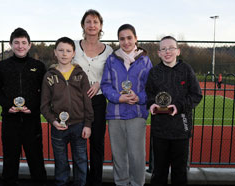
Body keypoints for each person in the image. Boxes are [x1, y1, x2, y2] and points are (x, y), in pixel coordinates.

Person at [0, 27, 47, 186]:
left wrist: (33, 107)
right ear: (11, 44)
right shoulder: (2, 66)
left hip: (32, 120)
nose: (20, 46)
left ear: (29, 45)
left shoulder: (38, 65)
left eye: (24, 42)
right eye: (16, 43)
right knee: (10, 160)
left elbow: (44, 91)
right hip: (10, 120)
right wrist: (8, 106)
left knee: (36, 159)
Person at [145, 36, 202, 186]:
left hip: (181, 130)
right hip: (160, 131)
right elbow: (149, 94)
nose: (167, 51)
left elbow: (196, 95)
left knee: (180, 173)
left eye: (171, 48)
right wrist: (151, 104)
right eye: (163, 49)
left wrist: (179, 106)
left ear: (178, 51)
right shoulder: (154, 72)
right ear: (158, 53)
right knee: (159, 173)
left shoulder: (186, 70)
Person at [101, 24, 152, 186]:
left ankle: (138, 183)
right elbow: (106, 85)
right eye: (122, 39)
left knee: (137, 155)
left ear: (136, 38)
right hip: (115, 114)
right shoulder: (111, 59)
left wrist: (139, 97)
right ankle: (121, 182)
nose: (126, 42)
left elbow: (150, 88)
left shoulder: (145, 60)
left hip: (136, 113)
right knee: (119, 154)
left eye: (129, 38)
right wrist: (119, 98)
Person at [40, 37, 94, 186]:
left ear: (73, 54)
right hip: (59, 128)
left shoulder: (80, 75)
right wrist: (54, 121)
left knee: (81, 161)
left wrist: (88, 124)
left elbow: (87, 101)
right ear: (55, 53)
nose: (64, 54)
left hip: (79, 125)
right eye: (61, 50)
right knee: (61, 163)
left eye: (68, 51)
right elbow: (44, 105)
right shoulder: (49, 76)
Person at [73, 9, 113, 186]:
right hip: (76, 101)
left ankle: (95, 181)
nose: (92, 25)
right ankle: (80, 179)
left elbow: (112, 75)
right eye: (88, 21)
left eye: (95, 22)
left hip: (97, 101)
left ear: (101, 26)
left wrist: (100, 83)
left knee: (97, 144)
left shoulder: (109, 50)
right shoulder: (73, 46)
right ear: (83, 24)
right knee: (78, 144)